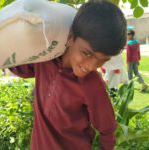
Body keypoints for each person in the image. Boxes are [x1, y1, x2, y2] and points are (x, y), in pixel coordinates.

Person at [9, 1, 127, 150]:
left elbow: (107, 129)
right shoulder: (45, 60)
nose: (92, 66)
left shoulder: (92, 84)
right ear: (71, 37)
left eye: (103, 60)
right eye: (87, 53)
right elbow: (22, 69)